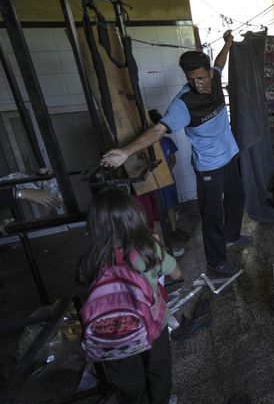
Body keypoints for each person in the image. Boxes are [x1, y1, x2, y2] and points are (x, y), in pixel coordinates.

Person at [101, 30, 248, 277]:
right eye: (191, 80)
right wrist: (126, 152)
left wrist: (229, 43)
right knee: (212, 214)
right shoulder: (183, 104)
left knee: (236, 199)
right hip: (209, 165)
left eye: (201, 78)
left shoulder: (214, 74)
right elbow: (158, 130)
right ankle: (216, 261)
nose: (198, 84)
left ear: (208, 73)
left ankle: (232, 236)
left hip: (230, 154)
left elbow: (220, 61)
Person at [79, 189, 182, 404]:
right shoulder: (147, 248)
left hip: (114, 335)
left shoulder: (91, 259)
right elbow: (177, 273)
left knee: (128, 382)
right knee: (159, 370)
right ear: (134, 217)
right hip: (153, 326)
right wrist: (159, 248)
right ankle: (161, 400)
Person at [148, 109, 190, 246]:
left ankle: (173, 229)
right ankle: (162, 233)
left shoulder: (167, 142)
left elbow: (172, 159)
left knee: (170, 205)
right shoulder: (148, 145)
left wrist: (167, 172)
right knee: (157, 207)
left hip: (167, 178)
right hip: (153, 181)